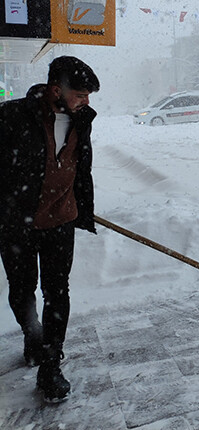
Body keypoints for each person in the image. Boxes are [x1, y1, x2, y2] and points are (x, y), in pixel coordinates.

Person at [0, 55, 100, 402]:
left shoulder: (81, 120)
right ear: (56, 90)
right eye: (80, 94)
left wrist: (81, 206)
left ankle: (50, 366)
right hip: (17, 224)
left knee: (58, 293)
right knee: (22, 288)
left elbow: (79, 165)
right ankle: (32, 334)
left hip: (61, 221)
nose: (85, 101)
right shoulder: (12, 116)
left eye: (88, 95)